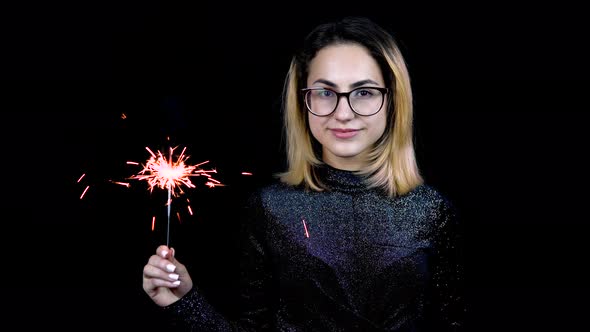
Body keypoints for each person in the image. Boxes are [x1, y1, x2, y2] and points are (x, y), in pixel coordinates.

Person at [142, 16, 466, 331]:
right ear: (303, 100)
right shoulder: (270, 209)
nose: (343, 113)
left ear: (393, 100)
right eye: (325, 92)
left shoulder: (432, 211)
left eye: (364, 92)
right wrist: (183, 301)